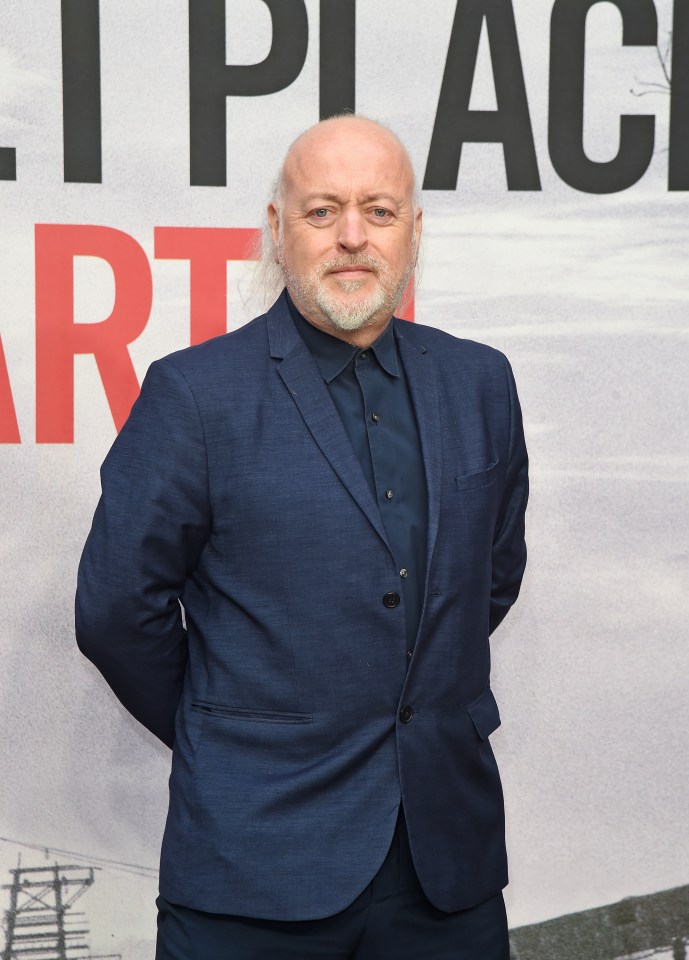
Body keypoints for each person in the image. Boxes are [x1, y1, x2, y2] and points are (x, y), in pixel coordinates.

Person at [76, 114, 528, 959]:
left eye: (379, 211)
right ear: (277, 231)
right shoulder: (194, 396)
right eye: (322, 212)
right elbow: (113, 612)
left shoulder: (481, 384)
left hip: (446, 872)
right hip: (254, 867)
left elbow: (487, 583)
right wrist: (233, 731)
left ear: (413, 232)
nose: (352, 237)